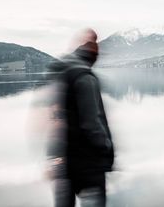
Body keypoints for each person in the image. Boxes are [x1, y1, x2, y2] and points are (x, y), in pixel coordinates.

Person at [46, 29, 114, 207]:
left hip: (66, 161)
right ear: (93, 57)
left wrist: (53, 157)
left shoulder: (64, 74)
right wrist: (106, 148)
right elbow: (92, 124)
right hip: (89, 164)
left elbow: (55, 119)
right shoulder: (85, 78)